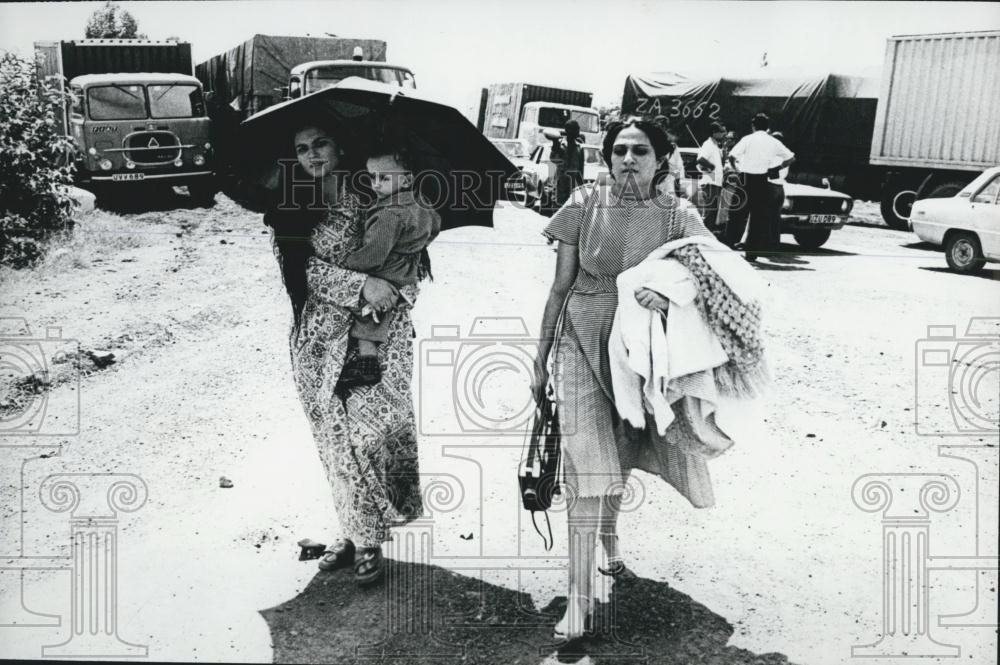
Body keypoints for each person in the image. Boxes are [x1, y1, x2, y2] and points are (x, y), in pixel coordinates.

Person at [532, 117, 720, 643]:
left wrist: (673, 290)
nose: (628, 160)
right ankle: (578, 599)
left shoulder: (678, 214)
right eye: (619, 151)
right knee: (586, 463)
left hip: (642, 351)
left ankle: (609, 536)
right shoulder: (583, 204)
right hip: (581, 340)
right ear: (607, 157)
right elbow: (559, 287)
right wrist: (539, 356)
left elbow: (713, 271)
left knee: (621, 448)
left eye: (640, 151)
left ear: (662, 159)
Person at [262, 121, 424, 585]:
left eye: (321, 143)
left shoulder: (380, 191)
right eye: (302, 148)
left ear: (340, 146)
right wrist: (360, 284)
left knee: (372, 436)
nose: (313, 155)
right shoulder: (292, 206)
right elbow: (306, 273)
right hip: (317, 339)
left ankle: (371, 531)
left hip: (379, 336)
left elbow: (411, 263)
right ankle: (356, 534)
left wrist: (387, 293)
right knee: (335, 441)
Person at [339, 145, 441, 388]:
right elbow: (434, 227)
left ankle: (367, 363)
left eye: (383, 178)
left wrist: (348, 263)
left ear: (406, 180)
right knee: (385, 309)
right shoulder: (421, 204)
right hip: (407, 268)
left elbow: (373, 255)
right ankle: (395, 326)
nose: (375, 184)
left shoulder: (389, 215)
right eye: (371, 176)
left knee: (365, 311)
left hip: (388, 268)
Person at [727, 113, 795, 261]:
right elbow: (791, 158)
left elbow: (731, 156)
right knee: (757, 217)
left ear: (753, 126)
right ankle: (751, 253)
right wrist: (776, 169)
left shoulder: (748, 139)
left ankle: (728, 247)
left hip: (745, 178)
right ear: (767, 127)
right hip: (762, 180)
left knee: (736, 214)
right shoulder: (773, 142)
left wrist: (736, 170)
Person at [695, 121, 727, 232]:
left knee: (713, 211)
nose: (723, 134)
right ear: (714, 133)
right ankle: (704, 234)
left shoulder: (715, 146)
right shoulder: (708, 144)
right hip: (710, 183)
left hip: (715, 183)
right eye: (721, 132)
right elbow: (700, 159)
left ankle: (708, 233)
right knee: (710, 211)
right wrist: (711, 167)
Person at [550, 119, 585, 207]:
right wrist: (555, 146)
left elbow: (580, 170)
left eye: (578, 129)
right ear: (568, 130)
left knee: (570, 215)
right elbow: (553, 159)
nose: (578, 131)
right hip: (560, 185)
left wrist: (582, 188)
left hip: (573, 187)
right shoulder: (560, 145)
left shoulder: (579, 148)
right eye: (575, 129)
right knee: (558, 212)